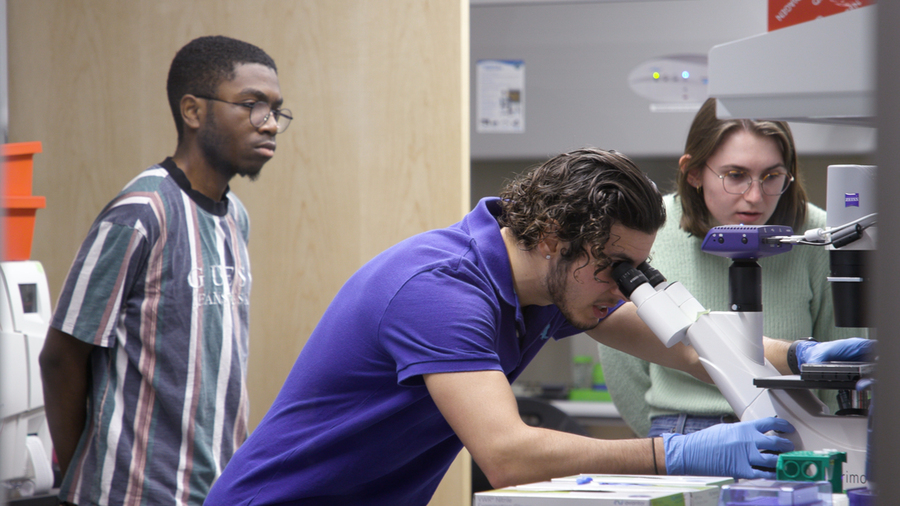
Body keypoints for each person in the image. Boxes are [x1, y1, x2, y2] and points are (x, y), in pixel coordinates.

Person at [204, 147, 869, 505]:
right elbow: (508, 455)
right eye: (616, 268)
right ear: (553, 237)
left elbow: (687, 346)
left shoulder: (553, 285)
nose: (624, 286)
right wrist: (673, 454)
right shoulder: (442, 292)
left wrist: (804, 357)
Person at [38, 35, 290, 506]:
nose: (270, 123)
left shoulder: (236, 216)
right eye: (253, 105)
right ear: (192, 112)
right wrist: (84, 482)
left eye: (276, 109)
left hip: (215, 492)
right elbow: (61, 357)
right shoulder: (140, 213)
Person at [597, 97, 867, 438]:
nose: (755, 196)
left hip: (793, 427)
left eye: (772, 176)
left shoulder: (817, 236)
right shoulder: (650, 230)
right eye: (736, 175)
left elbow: (840, 365)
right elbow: (623, 364)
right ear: (693, 172)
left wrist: (822, 438)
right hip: (683, 430)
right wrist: (673, 447)